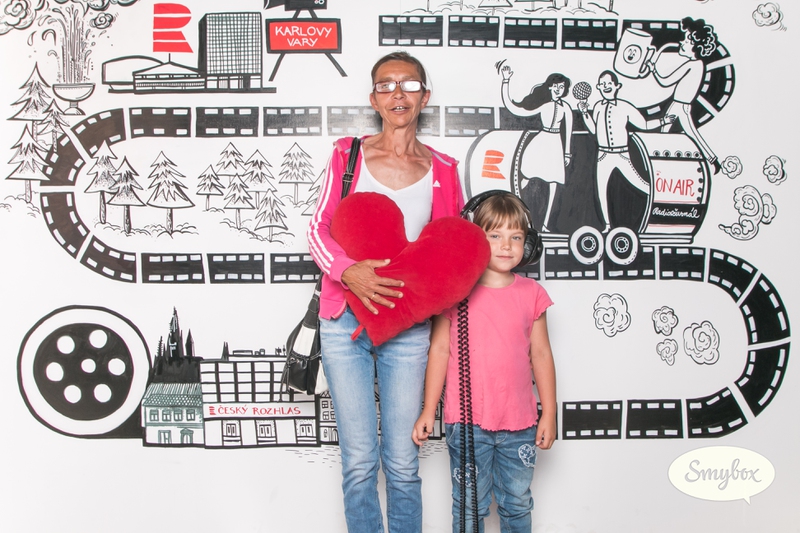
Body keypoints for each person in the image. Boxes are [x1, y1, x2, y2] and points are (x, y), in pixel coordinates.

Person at [307, 51, 464, 533]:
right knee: (359, 461)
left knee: (401, 462)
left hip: (408, 327)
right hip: (345, 322)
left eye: (409, 84)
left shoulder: (444, 168)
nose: (398, 92)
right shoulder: (348, 155)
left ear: (424, 97)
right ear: (374, 99)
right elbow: (318, 229)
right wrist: (348, 272)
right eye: (386, 84)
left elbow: (449, 256)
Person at [412, 192, 557, 533]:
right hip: (467, 423)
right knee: (468, 505)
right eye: (495, 235)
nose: (506, 246)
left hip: (519, 423)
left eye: (516, 237)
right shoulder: (456, 292)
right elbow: (440, 351)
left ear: (528, 244)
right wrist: (428, 410)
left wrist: (549, 412)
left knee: (517, 502)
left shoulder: (533, 294)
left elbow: (541, 355)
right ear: (476, 239)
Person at [579, 70, 675, 232]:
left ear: (617, 86)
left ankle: (663, 206)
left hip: (621, 154)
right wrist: (584, 113)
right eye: (602, 84)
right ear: (598, 87)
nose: (606, 86)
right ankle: (607, 226)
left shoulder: (625, 107)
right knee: (601, 191)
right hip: (603, 156)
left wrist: (663, 121)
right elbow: (594, 130)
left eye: (609, 83)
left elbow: (644, 125)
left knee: (641, 184)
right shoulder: (597, 106)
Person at [501, 67, 573, 232]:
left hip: (555, 146)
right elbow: (515, 109)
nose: (558, 90)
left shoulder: (566, 108)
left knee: (554, 184)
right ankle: (519, 218)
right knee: (524, 177)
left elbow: (568, 131)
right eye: (556, 86)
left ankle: (546, 225)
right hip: (540, 143)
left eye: (561, 87)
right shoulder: (544, 106)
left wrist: (567, 153)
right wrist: (505, 81)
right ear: (550, 87)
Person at [647, 17, 721, 174]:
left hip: (680, 106)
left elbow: (666, 81)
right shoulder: (699, 65)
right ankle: (711, 160)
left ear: (695, 45)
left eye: (686, 40)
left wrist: (653, 69)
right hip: (679, 105)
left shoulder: (692, 65)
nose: (681, 42)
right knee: (671, 133)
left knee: (679, 134)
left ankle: (662, 164)